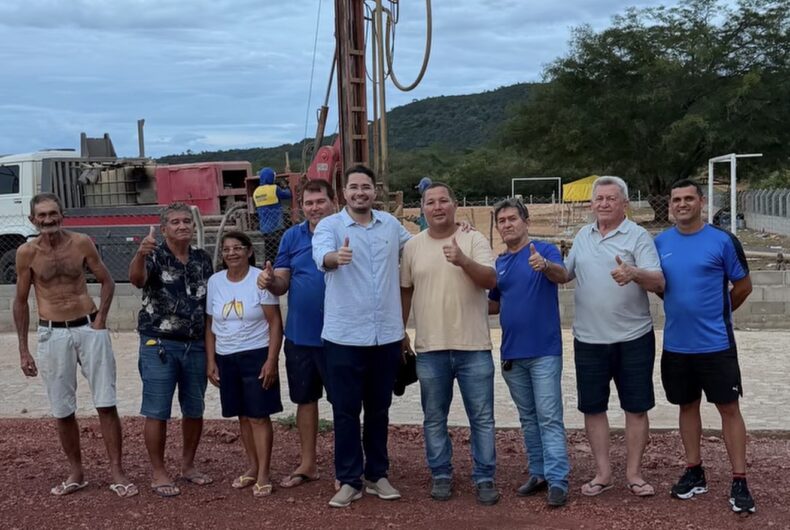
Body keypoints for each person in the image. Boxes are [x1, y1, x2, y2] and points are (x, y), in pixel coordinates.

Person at [13, 193, 137, 498]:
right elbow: (19, 301)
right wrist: (23, 349)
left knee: (106, 402)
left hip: (87, 326)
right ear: (32, 219)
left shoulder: (81, 242)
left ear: (62, 215)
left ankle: (117, 471)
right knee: (62, 408)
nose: (48, 220)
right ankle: (76, 473)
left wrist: (101, 320)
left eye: (53, 213)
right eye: (41, 215)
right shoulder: (26, 253)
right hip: (51, 332)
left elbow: (107, 281)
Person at [557, 176, 665, 498]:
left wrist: (634, 273)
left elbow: (658, 280)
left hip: (633, 338)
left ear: (625, 204)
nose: (604, 204)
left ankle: (634, 473)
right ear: (591, 204)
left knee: (636, 408)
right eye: (599, 199)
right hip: (589, 339)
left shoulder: (638, 236)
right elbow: (565, 274)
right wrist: (545, 266)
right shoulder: (581, 235)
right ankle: (602, 473)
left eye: (611, 199)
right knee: (593, 408)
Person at [312, 165, 411, 508]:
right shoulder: (330, 226)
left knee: (379, 410)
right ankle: (349, 479)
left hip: (385, 336)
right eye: (353, 187)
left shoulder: (391, 226)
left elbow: (418, 249)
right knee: (345, 410)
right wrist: (333, 258)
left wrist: (457, 231)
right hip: (343, 337)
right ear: (344, 193)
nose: (360, 192)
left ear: (374, 192)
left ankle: (376, 475)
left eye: (365, 187)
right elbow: (320, 256)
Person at [655, 179, 755, 514]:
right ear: (670, 204)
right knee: (686, 406)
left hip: (715, 343)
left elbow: (742, 286)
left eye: (688, 198)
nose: (682, 204)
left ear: (701, 201)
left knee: (728, 409)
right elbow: (660, 286)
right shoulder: (660, 243)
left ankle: (739, 479)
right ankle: (694, 471)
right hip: (676, 345)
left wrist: (719, 311)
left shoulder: (723, 240)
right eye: (676, 199)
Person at [400, 182, 500, 505]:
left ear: (456, 206)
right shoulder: (413, 246)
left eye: (444, 200)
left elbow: (490, 280)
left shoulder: (473, 239)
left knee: (482, 418)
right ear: (423, 209)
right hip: (430, 350)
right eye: (431, 202)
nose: (438, 206)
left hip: (474, 348)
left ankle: (485, 476)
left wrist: (463, 260)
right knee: (433, 417)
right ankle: (440, 473)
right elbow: (405, 291)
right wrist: (401, 332)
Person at [128, 202, 215, 497]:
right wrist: (141, 254)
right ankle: (158, 471)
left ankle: (188, 466)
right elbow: (137, 280)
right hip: (159, 345)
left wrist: (211, 353)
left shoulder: (202, 260)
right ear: (164, 228)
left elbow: (209, 309)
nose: (182, 226)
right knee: (157, 411)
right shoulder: (154, 255)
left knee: (194, 408)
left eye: (186, 221)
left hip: (196, 345)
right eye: (175, 222)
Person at [488, 198, 570, 507]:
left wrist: (545, 266)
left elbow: (562, 276)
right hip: (512, 353)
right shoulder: (500, 263)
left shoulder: (544, 250)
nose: (507, 224)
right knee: (528, 417)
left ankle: (558, 478)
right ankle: (539, 472)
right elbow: (494, 304)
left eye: (512, 218)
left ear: (526, 222)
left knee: (549, 416)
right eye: (502, 221)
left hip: (544, 351)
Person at [257, 178, 336, 489]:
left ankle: (348, 466)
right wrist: (268, 281)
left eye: (320, 201)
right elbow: (282, 282)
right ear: (300, 206)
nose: (314, 208)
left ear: (333, 202)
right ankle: (308, 463)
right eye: (309, 203)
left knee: (345, 402)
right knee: (305, 400)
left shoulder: (345, 233)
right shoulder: (292, 237)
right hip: (301, 337)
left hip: (340, 337)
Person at [206, 231, 283, 497]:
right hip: (227, 357)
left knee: (259, 416)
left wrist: (271, 360)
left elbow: (275, 323)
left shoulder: (259, 279)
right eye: (226, 249)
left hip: (256, 354)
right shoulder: (215, 282)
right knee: (242, 415)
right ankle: (251, 467)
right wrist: (211, 360)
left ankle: (264, 472)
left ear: (249, 251)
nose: (231, 253)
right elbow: (210, 325)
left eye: (237, 248)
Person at [253, 167, 292, 236]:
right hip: (277, 226)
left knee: (268, 245)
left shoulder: (256, 191)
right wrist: (286, 185)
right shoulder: (274, 188)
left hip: (264, 228)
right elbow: (288, 195)